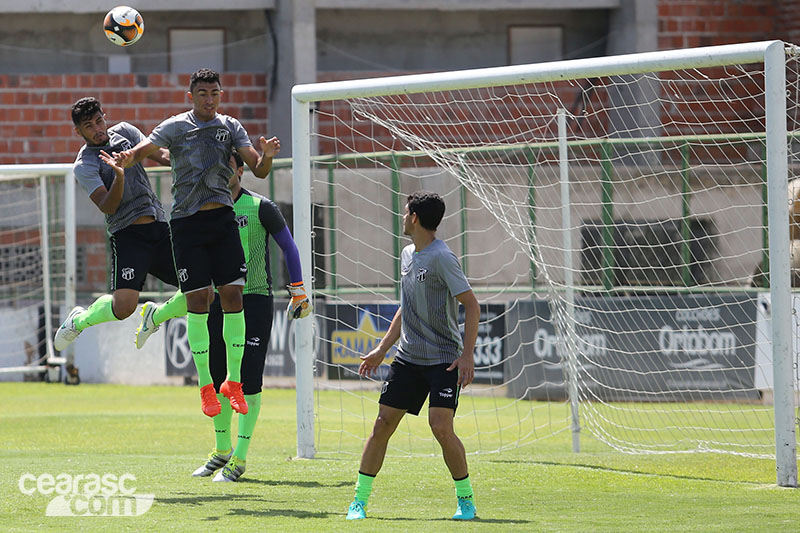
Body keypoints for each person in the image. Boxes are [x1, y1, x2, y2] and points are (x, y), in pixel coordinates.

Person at [113, 68, 287, 418]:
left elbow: (259, 169)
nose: (209, 99)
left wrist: (266, 155)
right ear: (190, 96)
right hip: (187, 224)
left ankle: (233, 383)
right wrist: (125, 159)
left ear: (220, 95)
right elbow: (144, 150)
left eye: (215, 93)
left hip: (222, 220)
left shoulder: (230, 127)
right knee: (198, 301)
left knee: (233, 296)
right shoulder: (176, 126)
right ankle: (207, 387)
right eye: (203, 93)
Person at [139, 153, 311, 482]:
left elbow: (289, 246)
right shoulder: (205, 213)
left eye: (228, 167)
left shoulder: (261, 207)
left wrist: (298, 289)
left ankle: (240, 460)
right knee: (217, 377)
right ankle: (221, 451)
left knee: (247, 381)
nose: (222, 173)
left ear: (241, 171)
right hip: (218, 302)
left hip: (255, 301)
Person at [346, 191, 480, 521]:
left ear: (415, 218)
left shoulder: (442, 257)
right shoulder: (407, 254)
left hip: (443, 360)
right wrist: (382, 348)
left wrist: (467, 356)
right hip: (408, 358)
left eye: (406, 213)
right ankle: (358, 503)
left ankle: (466, 501)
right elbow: (406, 309)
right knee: (382, 425)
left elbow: (472, 306)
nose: (403, 218)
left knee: (441, 428)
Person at [54, 97, 186, 353]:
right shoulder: (85, 164)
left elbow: (160, 155)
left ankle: (155, 317)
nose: (97, 129)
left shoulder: (125, 131)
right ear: (78, 132)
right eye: (89, 126)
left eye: (99, 120)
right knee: (124, 308)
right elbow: (107, 205)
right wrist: (119, 174)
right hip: (128, 236)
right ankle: (79, 320)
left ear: (105, 116)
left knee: (198, 287)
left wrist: (189, 157)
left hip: (159, 228)